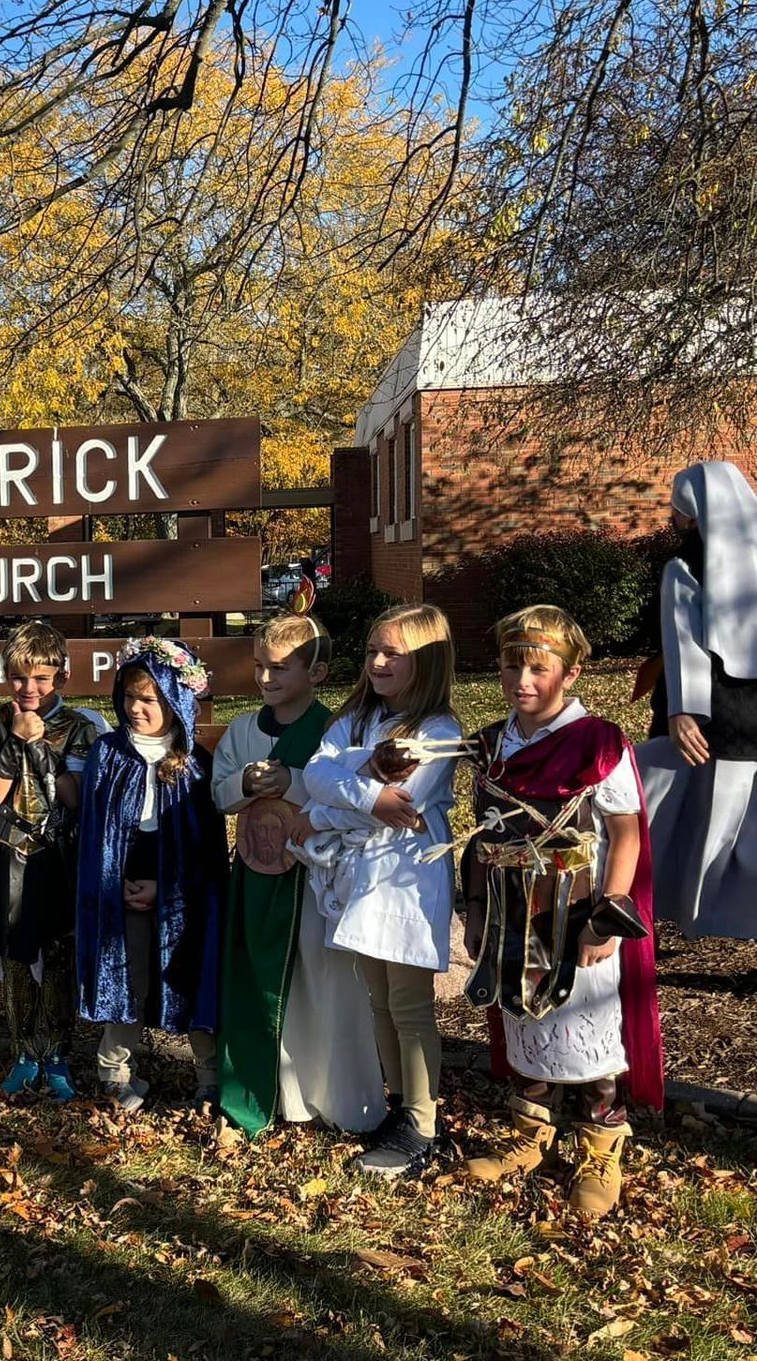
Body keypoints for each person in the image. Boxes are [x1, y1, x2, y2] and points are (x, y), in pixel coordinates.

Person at [459, 607, 663, 1218]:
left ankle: (602, 1151)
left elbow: (625, 832)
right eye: (511, 665)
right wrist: (475, 911)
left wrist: (609, 915)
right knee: (524, 1019)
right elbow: (483, 833)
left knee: (587, 1027)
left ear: (570, 673)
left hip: (579, 914)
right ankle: (530, 1138)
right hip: (509, 910)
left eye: (539, 668)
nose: (523, 679)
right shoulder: (491, 742)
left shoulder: (599, 742)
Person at [295, 603, 462, 1177]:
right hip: (359, 880)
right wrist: (365, 791)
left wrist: (324, 813)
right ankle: (399, 1108)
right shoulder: (356, 719)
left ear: (428, 660)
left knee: (410, 1002)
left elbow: (405, 804)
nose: (378, 661)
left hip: (407, 881)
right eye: (372, 650)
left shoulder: (439, 730)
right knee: (379, 1001)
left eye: (394, 653)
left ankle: (422, 1123)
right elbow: (318, 774)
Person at [212, 616, 384, 1137]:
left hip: (315, 879)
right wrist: (246, 781)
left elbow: (349, 792)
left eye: (281, 668)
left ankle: (327, 1094)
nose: (266, 678)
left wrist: (293, 781)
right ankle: (270, 1093)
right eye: (260, 667)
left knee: (321, 981)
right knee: (257, 981)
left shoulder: (336, 730)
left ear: (318, 672)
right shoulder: (245, 729)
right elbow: (218, 791)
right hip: (257, 871)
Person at [77, 639, 225, 1111]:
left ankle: (209, 1076)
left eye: (149, 699)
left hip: (180, 891)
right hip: (119, 887)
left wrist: (167, 888)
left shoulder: (195, 765)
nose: (135, 709)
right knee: (127, 974)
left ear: (175, 701)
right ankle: (114, 1072)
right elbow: (94, 832)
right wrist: (112, 883)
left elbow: (206, 846)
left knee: (190, 972)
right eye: (128, 697)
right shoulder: (107, 754)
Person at [0, 621, 98, 1100]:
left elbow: (74, 797)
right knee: (17, 956)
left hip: (58, 850)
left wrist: (42, 745)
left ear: (60, 678)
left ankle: (58, 1051)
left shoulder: (80, 727)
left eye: (41, 679)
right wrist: (17, 740)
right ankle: (23, 1050)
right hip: (9, 849)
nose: (30, 689)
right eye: (20, 678)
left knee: (59, 953)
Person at [639, 461, 757, 938]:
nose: (672, 518)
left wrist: (682, 710)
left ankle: (701, 916)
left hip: (719, 714)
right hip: (732, 715)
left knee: (715, 819)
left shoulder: (684, 566)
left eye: (676, 508)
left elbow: (683, 642)